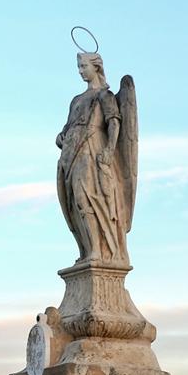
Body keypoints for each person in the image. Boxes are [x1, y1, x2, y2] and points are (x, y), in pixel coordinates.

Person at [55, 50, 137, 265]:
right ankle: (87, 250)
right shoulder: (76, 100)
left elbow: (114, 122)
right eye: (79, 68)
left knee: (86, 197)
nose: (81, 71)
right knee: (74, 202)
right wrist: (61, 136)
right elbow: (68, 126)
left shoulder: (104, 96)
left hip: (92, 150)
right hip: (71, 154)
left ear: (96, 67)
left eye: (84, 67)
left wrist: (110, 149)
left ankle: (97, 252)